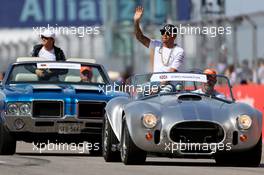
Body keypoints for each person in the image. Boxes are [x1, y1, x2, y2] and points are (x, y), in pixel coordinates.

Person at [134, 6, 185, 73]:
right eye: (163, 32)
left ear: (174, 36)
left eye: (167, 33)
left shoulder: (179, 51)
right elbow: (139, 37)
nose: (164, 35)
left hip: (169, 82)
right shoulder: (157, 45)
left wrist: (162, 83)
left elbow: (172, 70)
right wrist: (136, 22)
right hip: (155, 81)